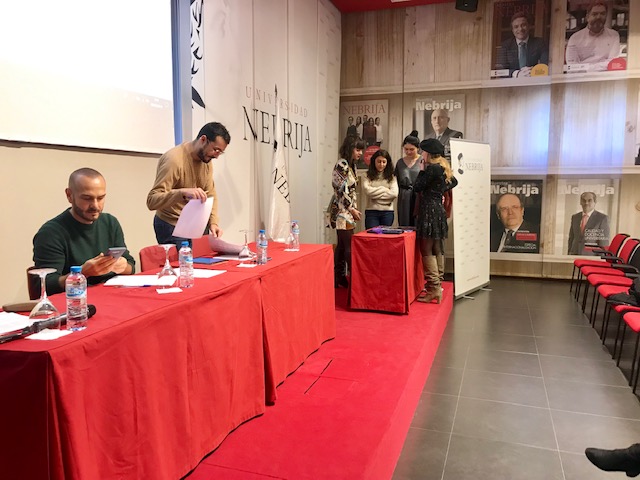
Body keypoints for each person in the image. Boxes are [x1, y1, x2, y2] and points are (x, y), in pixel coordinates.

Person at [33, 168, 135, 295]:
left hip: (112, 295)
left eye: (101, 198)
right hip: (75, 300)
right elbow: (45, 285)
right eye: (87, 198)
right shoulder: (50, 233)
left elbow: (131, 266)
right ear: (69, 195)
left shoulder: (110, 222)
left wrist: (122, 266)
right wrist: (82, 273)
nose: (95, 206)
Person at [147, 122, 230, 248]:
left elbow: (210, 194)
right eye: (215, 150)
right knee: (184, 261)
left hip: (196, 224)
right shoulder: (174, 160)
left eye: (220, 152)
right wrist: (182, 193)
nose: (216, 156)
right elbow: (152, 201)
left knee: (203, 260)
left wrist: (213, 222)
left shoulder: (206, 159)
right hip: (172, 224)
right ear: (203, 139)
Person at [414, 139, 458, 304]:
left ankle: (433, 288)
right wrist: (438, 190)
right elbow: (454, 181)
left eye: (423, 151)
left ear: (428, 153)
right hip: (438, 210)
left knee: (426, 250)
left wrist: (421, 171)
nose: (421, 154)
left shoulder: (431, 169)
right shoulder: (442, 167)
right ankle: (437, 285)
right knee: (437, 248)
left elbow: (417, 187)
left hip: (429, 211)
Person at [328, 136, 365, 288]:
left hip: (347, 210)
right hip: (342, 211)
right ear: (350, 148)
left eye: (361, 150)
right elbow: (341, 190)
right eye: (358, 149)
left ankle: (339, 277)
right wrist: (351, 208)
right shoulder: (341, 164)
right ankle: (354, 278)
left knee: (342, 245)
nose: (360, 153)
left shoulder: (351, 165)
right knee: (349, 245)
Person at [566, 2, 621, 71]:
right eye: (595, 14)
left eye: (602, 14)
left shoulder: (614, 35)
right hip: (581, 77)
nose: (599, 17)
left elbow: (613, 63)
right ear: (587, 17)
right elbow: (572, 66)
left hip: (605, 76)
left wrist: (584, 66)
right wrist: (602, 65)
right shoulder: (575, 38)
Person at [495, 12, 549, 77]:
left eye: (523, 25)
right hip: (512, 82)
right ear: (512, 30)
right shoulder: (505, 46)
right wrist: (517, 73)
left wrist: (533, 71)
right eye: (516, 27)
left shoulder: (539, 43)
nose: (520, 29)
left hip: (534, 79)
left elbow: (545, 64)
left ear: (529, 26)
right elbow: (500, 70)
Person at [362, 149, 398, 229]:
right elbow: (367, 191)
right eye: (379, 161)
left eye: (384, 162)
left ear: (387, 163)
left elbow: (394, 193)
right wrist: (384, 189)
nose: (381, 164)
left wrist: (375, 197)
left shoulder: (392, 177)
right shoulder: (366, 175)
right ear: (374, 161)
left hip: (387, 212)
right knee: (372, 235)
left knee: (385, 235)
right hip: (372, 212)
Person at [394, 132, 421, 227]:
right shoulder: (400, 163)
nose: (408, 152)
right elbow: (396, 181)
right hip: (404, 197)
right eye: (406, 149)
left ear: (418, 148)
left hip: (419, 196)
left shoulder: (423, 161)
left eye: (412, 149)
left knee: (418, 223)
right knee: (404, 223)